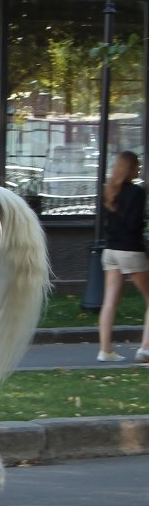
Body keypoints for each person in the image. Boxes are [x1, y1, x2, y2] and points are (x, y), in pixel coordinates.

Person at [97, 150, 149, 363]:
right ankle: (145, 348)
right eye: (137, 166)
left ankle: (105, 350)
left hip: (110, 251)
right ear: (130, 169)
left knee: (109, 301)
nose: (138, 169)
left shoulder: (109, 191)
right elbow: (135, 223)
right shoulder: (137, 192)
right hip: (130, 251)